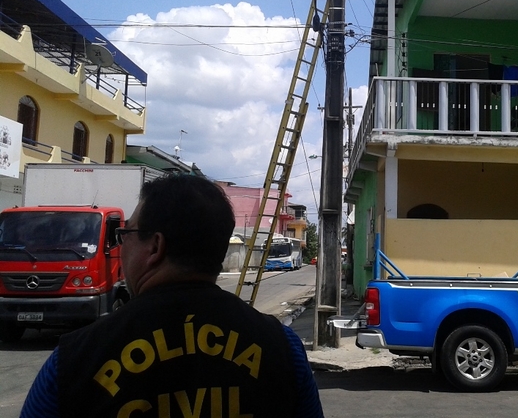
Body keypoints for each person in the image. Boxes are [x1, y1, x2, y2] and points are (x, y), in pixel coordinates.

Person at [20, 174, 324, 418]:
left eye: (125, 235)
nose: (121, 247)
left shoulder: (73, 361)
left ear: (155, 247)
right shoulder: (283, 350)